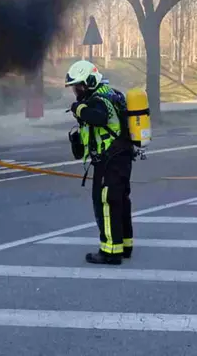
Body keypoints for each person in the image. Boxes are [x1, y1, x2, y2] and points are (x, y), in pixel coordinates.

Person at [66, 60, 134, 265]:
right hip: (121, 157)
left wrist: (77, 109)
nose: (76, 91)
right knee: (121, 201)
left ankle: (110, 252)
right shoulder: (112, 93)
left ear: (88, 82)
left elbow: (98, 118)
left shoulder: (97, 101)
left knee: (106, 202)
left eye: (78, 86)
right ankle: (124, 245)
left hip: (110, 160)